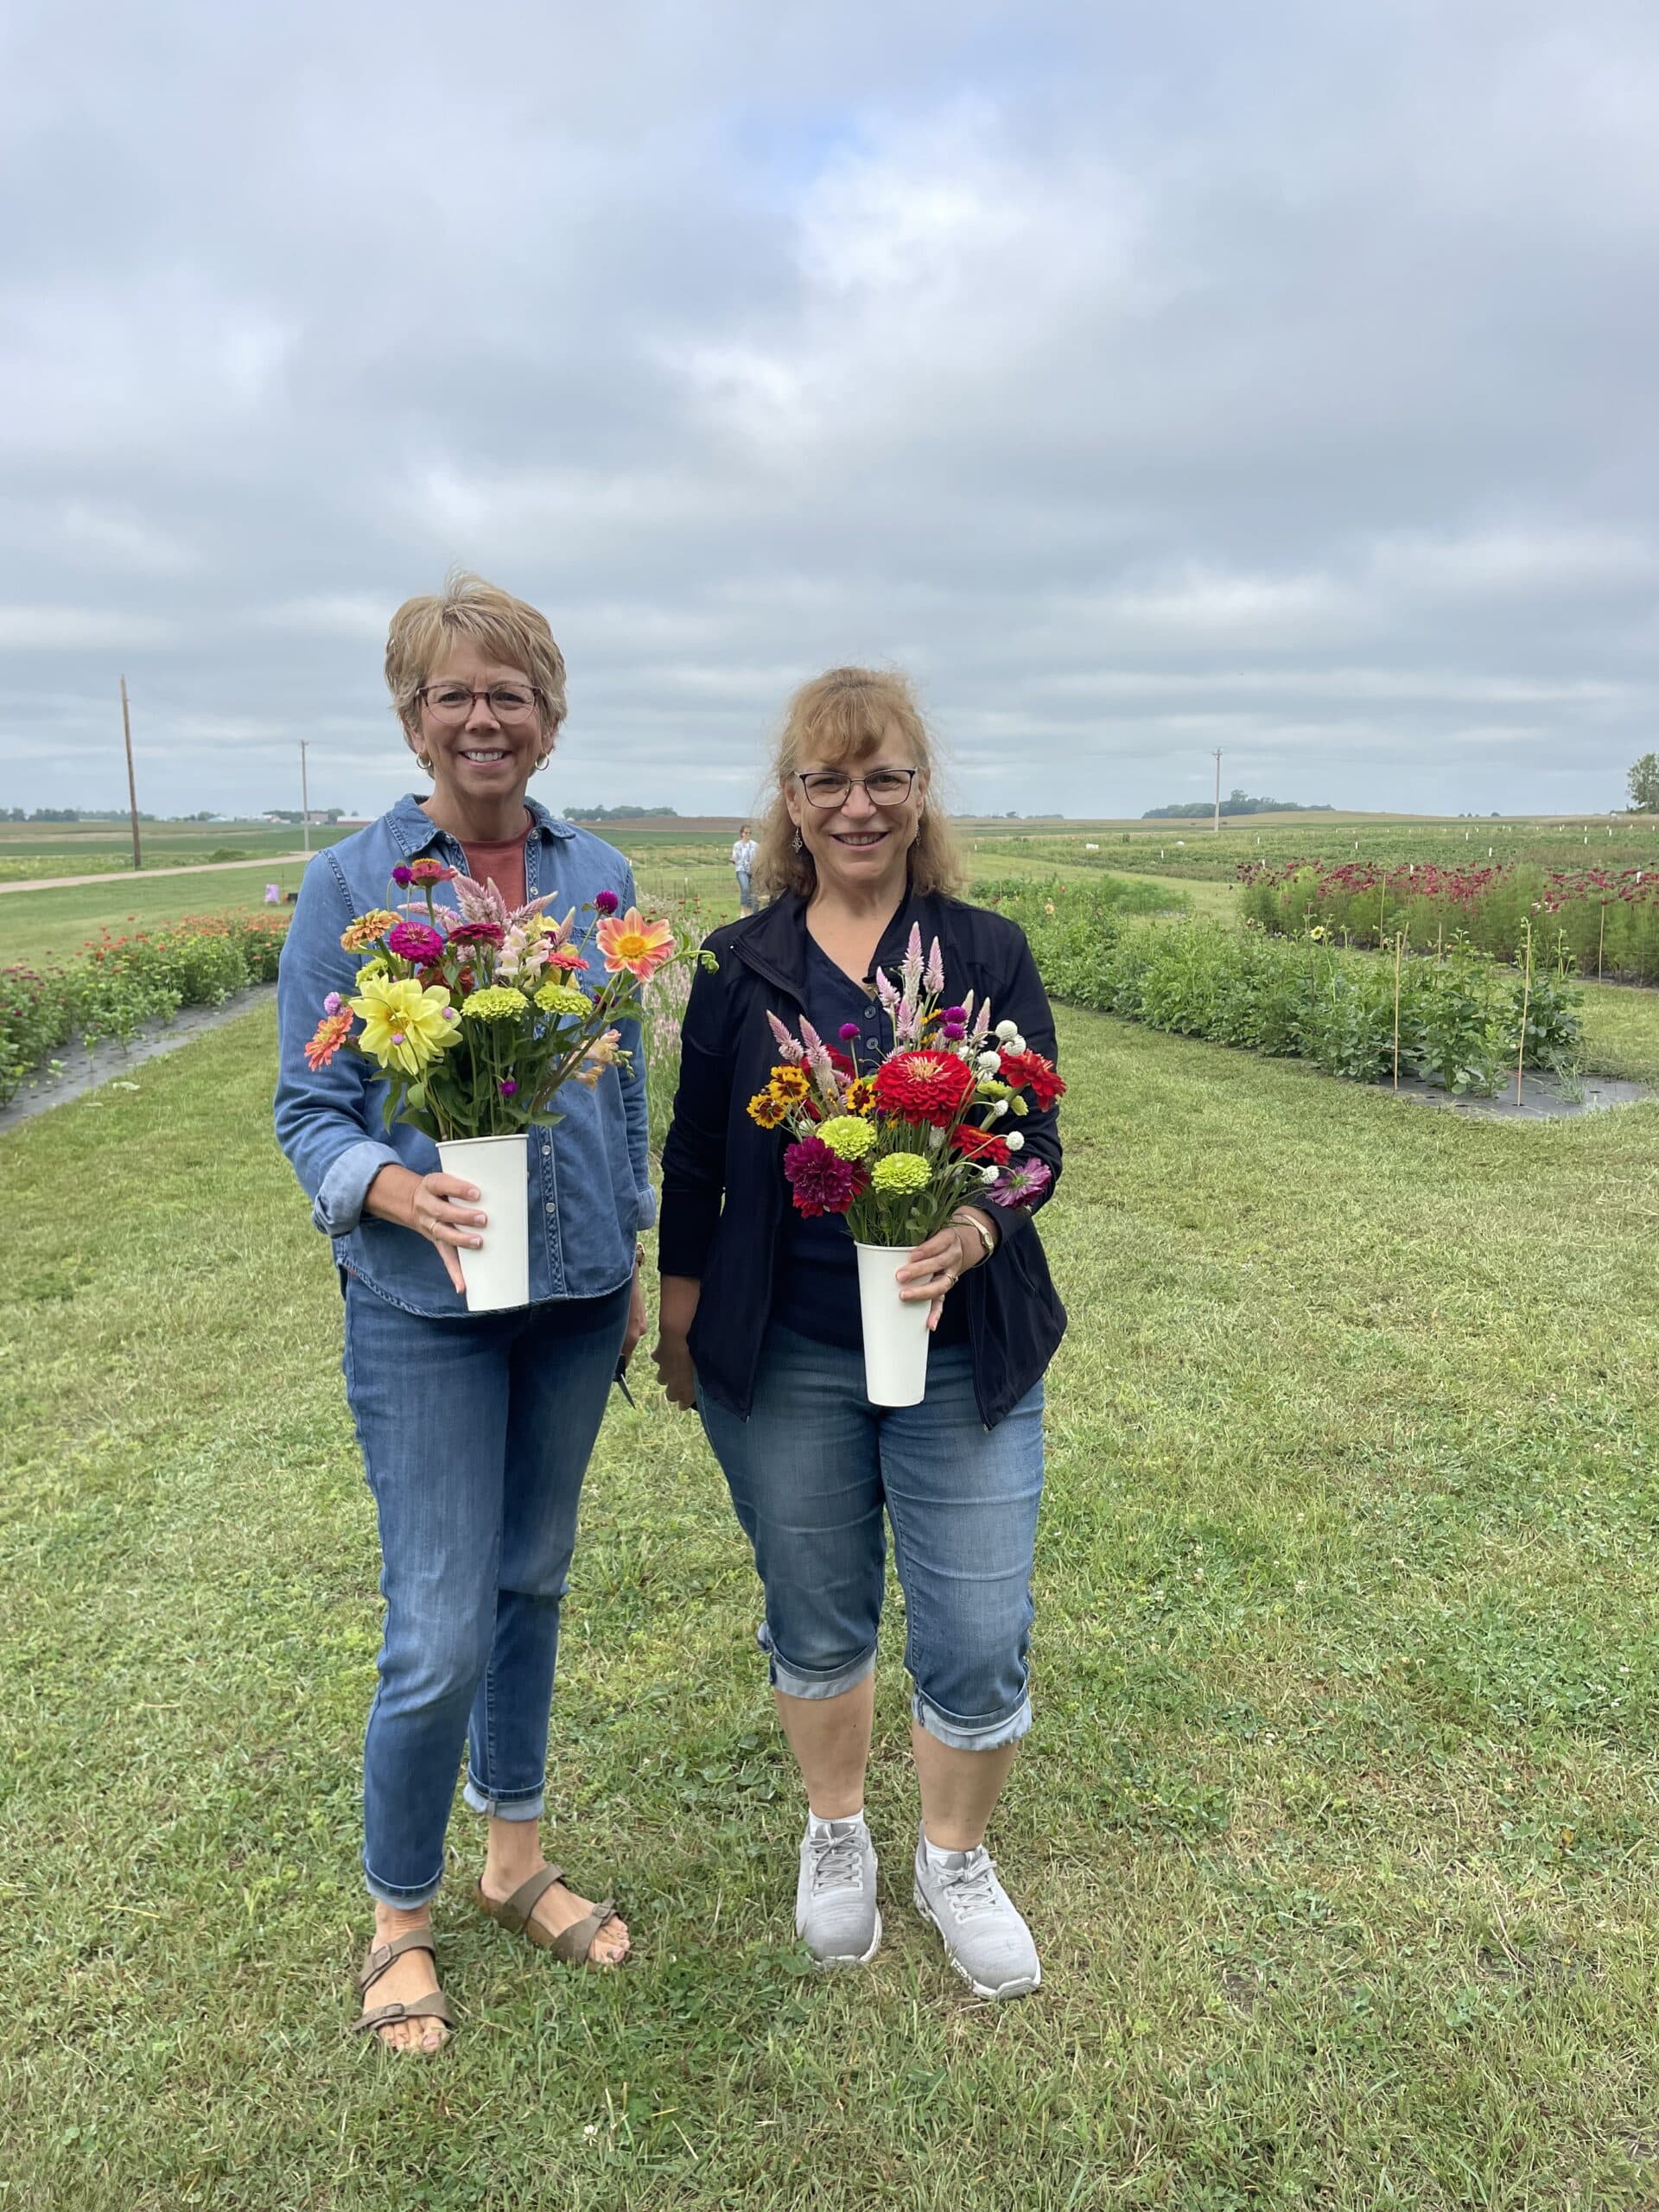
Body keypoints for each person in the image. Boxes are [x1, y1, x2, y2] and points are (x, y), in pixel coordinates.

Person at [275, 573, 651, 2051]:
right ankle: (398, 1921)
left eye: (511, 692)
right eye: (456, 693)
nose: (483, 717)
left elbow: (625, 1089)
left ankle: (514, 1865)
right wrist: (391, 1187)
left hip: (570, 1304)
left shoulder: (599, 880)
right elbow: (309, 1107)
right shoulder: (352, 883)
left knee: (532, 1585)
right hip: (420, 1308)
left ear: (547, 722)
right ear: (415, 715)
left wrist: (625, 1259)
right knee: (436, 1625)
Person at [654, 667, 1065, 1999]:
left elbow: (1035, 1141)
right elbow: (695, 1158)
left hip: (963, 1355)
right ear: (790, 802)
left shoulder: (985, 949)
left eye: (884, 777)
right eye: (827, 781)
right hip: (789, 1354)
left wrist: (981, 1226)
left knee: (978, 1626)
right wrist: (679, 1315)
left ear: (918, 793)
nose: (857, 805)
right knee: (817, 1613)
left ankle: (954, 1856)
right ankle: (838, 1834)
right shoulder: (740, 962)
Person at [731, 822, 760, 914]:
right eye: (746, 833)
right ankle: (744, 910)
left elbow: (760, 856)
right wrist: (733, 860)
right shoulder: (737, 845)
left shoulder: (755, 845)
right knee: (745, 888)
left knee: (753, 892)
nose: (748, 835)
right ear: (742, 834)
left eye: (749, 833)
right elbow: (735, 856)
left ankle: (753, 911)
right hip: (741, 870)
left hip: (753, 870)